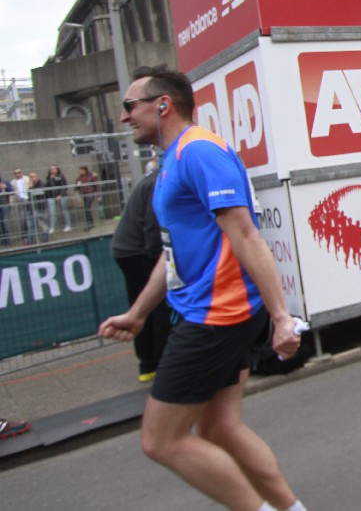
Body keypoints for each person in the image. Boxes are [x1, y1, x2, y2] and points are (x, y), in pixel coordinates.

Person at [98, 65, 308, 511]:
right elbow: (173, 252)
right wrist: (138, 313)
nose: (124, 116)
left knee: (161, 440)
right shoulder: (173, 158)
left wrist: (281, 317)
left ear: (163, 105)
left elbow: (247, 235)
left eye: (130, 106)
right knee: (218, 429)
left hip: (218, 314)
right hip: (208, 309)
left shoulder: (199, 152)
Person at [111, 165, 171, 383]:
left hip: (127, 249)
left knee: (142, 304)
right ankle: (163, 363)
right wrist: (160, 260)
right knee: (160, 304)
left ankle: (148, 364)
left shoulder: (153, 179)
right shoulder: (159, 182)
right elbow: (153, 227)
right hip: (138, 251)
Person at [45, 165, 71, 233]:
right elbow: (48, 185)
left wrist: (61, 195)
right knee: (52, 212)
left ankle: (68, 225)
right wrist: (51, 179)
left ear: (57, 169)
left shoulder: (60, 176)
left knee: (64, 210)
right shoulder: (48, 177)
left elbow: (64, 185)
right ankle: (52, 227)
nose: (53, 170)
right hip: (51, 196)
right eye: (51, 169)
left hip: (61, 195)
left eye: (54, 169)